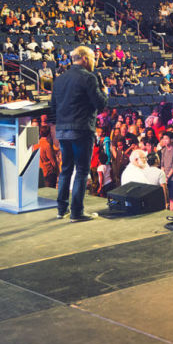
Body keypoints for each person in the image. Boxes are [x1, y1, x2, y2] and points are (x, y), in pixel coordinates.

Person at [51, 45, 108, 222]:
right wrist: (104, 91)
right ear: (84, 58)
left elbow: (52, 106)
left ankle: (61, 210)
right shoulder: (89, 78)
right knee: (82, 171)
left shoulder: (59, 79)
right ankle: (76, 212)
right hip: (82, 130)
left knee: (65, 170)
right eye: (92, 58)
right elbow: (101, 104)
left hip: (62, 130)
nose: (94, 62)